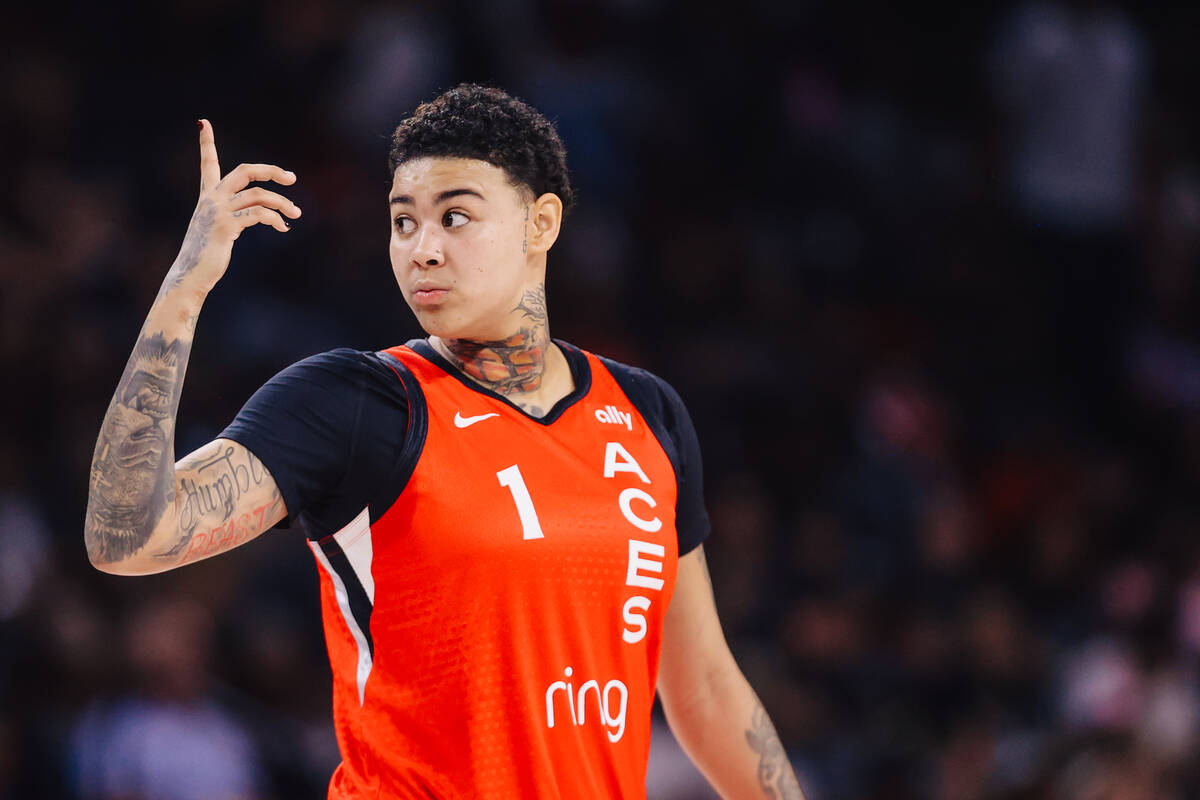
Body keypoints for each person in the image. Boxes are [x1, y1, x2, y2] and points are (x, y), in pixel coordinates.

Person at [84, 84, 804, 799]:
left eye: (454, 217)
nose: (422, 249)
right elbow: (126, 537)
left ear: (540, 223)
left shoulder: (648, 412)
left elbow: (705, 686)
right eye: (403, 222)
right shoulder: (356, 403)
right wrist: (183, 290)